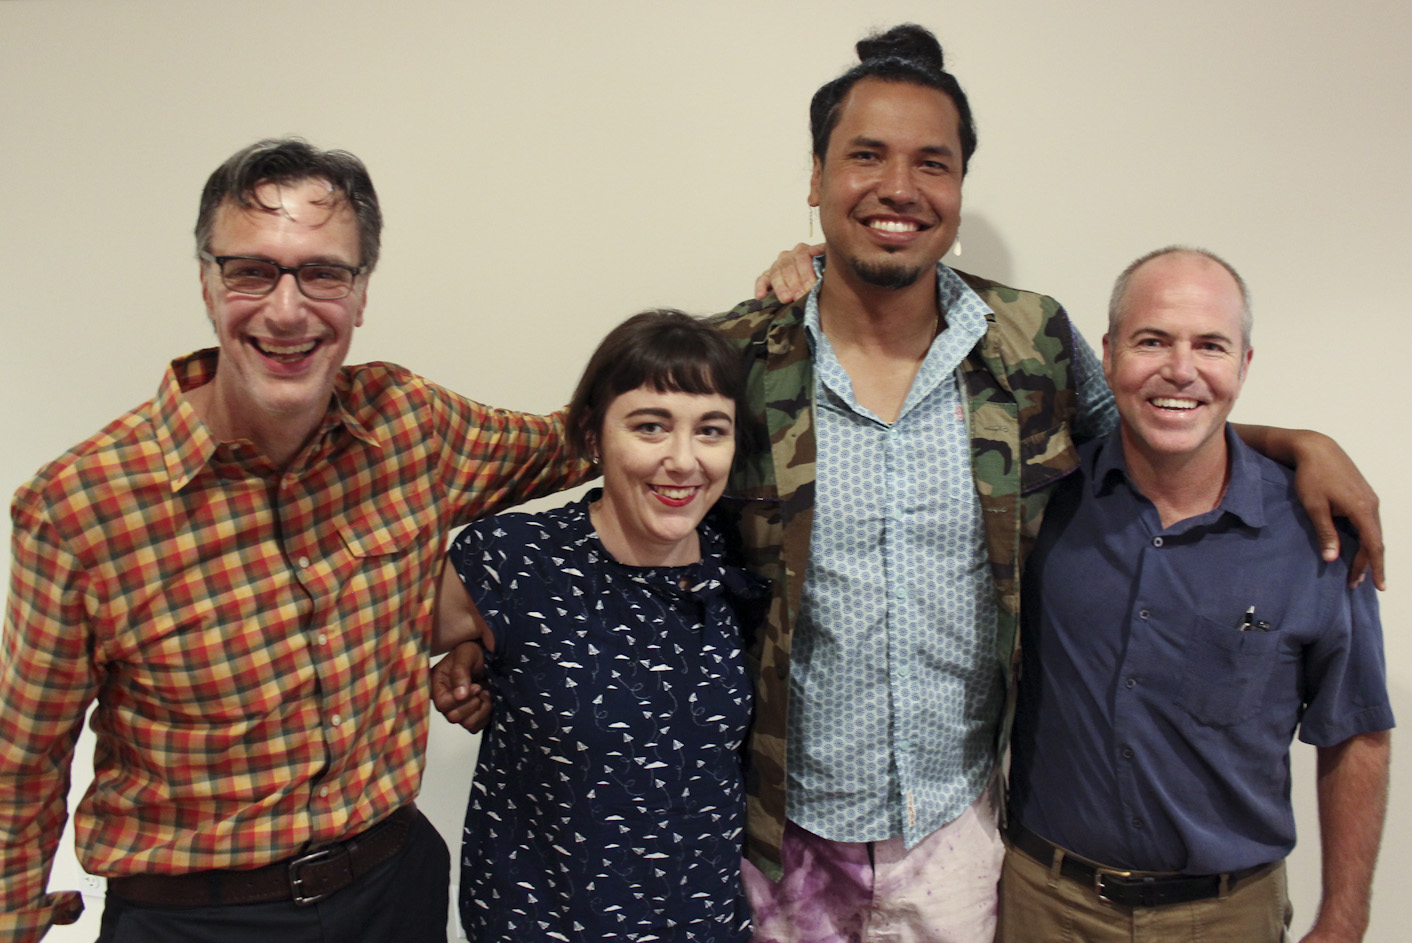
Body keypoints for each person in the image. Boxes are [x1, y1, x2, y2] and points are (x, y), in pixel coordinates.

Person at [701, 24, 1385, 943]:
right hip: (780, 839)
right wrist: (478, 606)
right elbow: (629, 489)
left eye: (931, 164)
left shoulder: (1030, 344)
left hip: (963, 834)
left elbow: (1151, 432)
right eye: (866, 156)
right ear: (816, 177)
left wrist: (1299, 442)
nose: (898, 187)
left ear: (957, 189)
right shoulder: (739, 355)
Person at [0, 138, 593, 943]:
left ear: (360, 294)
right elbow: (22, 762)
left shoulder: (411, 425)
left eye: (322, 273)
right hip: (195, 919)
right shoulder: (80, 508)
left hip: (392, 891)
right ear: (207, 286)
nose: (287, 309)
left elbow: (586, 440)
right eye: (251, 272)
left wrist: (781, 315)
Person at [1000, 247, 1392, 942]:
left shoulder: (1319, 534)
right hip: (1043, 905)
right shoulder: (1041, 498)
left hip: (1227, 917)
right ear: (1110, 352)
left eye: (1209, 345)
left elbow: (1355, 730)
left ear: (1243, 364)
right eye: (1152, 340)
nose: (1180, 369)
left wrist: (1344, 917)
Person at [432, 310, 767, 941]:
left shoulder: (737, 561)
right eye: (650, 427)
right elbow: (359, 645)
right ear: (592, 436)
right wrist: (463, 660)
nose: (683, 460)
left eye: (711, 431)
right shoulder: (513, 561)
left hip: (706, 925)